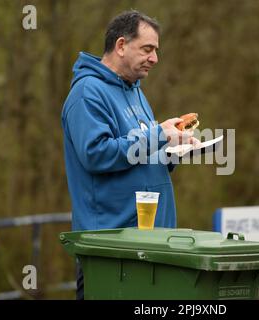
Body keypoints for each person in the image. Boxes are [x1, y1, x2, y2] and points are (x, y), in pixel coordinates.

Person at [61, 10, 196, 299]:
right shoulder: (87, 93)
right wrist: (158, 135)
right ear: (121, 46)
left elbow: (140, 154)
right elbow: (96, 154)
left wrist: (173, 151)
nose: (155, 58)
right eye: (147, 49)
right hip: (110, 249)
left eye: (156, 50)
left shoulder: (136, 91)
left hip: (150, 244)